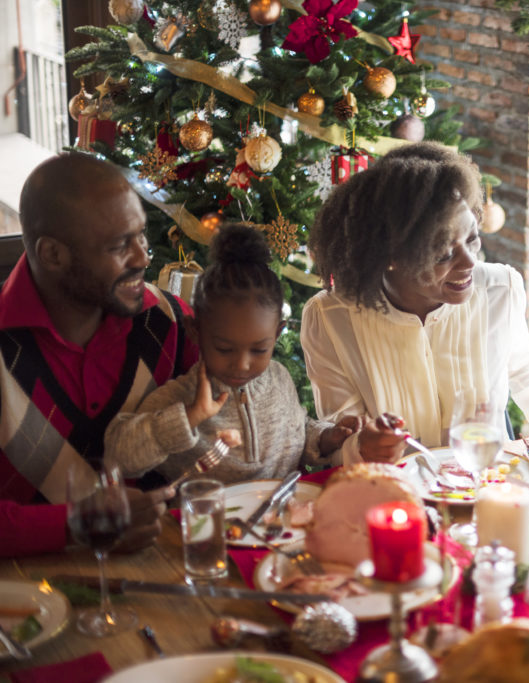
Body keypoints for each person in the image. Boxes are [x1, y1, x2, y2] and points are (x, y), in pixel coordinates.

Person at [301, 141, 529, 464]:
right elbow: (339, 441)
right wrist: (361, 446)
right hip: (393, 499)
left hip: (488, 492)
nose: (469, 263)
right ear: (391, 257)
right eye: (445, 254)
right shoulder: (330, 319)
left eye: (472, 239)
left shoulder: (500, 290)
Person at [0, 153, 197, 557]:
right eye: (119, 245)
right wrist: (76, 527)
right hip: (32, 603)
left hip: (170, 581)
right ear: (53, 255)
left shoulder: (170, 323)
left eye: (141, 235)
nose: (143, 257)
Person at [105, 224, 361, 483]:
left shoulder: (280, 378)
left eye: (259, 349)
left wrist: (327, 438)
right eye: (225, 349)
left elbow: (298, 431)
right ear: (195, 332)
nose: (241, 364)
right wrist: (190, 416)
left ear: (277, 334)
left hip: (287, 515)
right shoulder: (178, 398)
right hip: (210, 521)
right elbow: (118, 457)